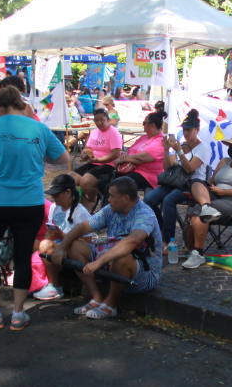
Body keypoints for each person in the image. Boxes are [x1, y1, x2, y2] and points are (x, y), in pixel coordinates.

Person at [0, 87, 69, 331]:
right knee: (23, 256)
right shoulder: (38, 128)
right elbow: (63, 158)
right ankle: (18, 314)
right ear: (21, 103)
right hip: (29, 202)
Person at [53, 177, 162, 319]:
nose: (108, 199)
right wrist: (61, 248)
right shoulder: (111, 209)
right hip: (110, 265)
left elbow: (132, 241)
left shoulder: (145, 214)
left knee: (122, 256)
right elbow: (82, 227)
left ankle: (110, 305)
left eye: (112, 196)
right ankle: (97, 297)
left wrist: (98, 262)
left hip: (144, 274)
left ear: (125, 198)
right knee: (74, 245)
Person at [183, 131, 232, 270]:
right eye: (230, 145)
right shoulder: (224, 161)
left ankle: (198, 253)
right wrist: (205, 187)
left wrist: (222, 192)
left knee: (198, 209)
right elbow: (211, 182)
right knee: (196, 181)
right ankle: (206, 206)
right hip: (215, 197)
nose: (230, 148)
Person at [145, 109, 210, 250]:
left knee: (169, 200)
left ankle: (168, 241)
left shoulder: (202, 148)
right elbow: (167, 168)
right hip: (175, 181)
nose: (186, 132)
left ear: (197, 130)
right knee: (149, 199)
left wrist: (179, 151)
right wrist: (166, 150)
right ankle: (161, 228)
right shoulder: (179, 145)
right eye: (184, 129)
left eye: (189, 130)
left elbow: (190, 169)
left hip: (193, 185)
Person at [34, 175, 94, 301]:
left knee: (46, 245)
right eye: (52, 195)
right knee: (42, 243)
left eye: (56, 195)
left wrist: (62, 236)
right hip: (56, 251)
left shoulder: (80, 212)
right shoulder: (54, 207)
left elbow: (87, 244)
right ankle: (50, 282)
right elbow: (48, 233)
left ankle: (55, 286)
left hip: (72, 256)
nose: (53, 198)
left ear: (68, 193)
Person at [69, 108, 123, 210]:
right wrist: (85, 154)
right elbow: (87, 148)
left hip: (107, 165)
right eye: (96, 120)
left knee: (85, 182)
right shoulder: (94, 132)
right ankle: (83, 203)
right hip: (93, 163)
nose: (99, 123)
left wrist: (99, 160)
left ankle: (92, 200)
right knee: (69, 180)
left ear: (108, 119)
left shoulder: (113, 133)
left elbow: (116, 154)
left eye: (102, 120)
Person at [113, 109, 166, 192]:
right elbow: (129, 151)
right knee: (106, 181)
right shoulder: (144, 137)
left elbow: (141, 158)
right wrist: (123, 156)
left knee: (118, 185)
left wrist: (122, 159)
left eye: (144, 123)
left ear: (152, 125)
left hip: (147, 176)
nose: (143, 125)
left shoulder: (160, 141)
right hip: (133, 170)